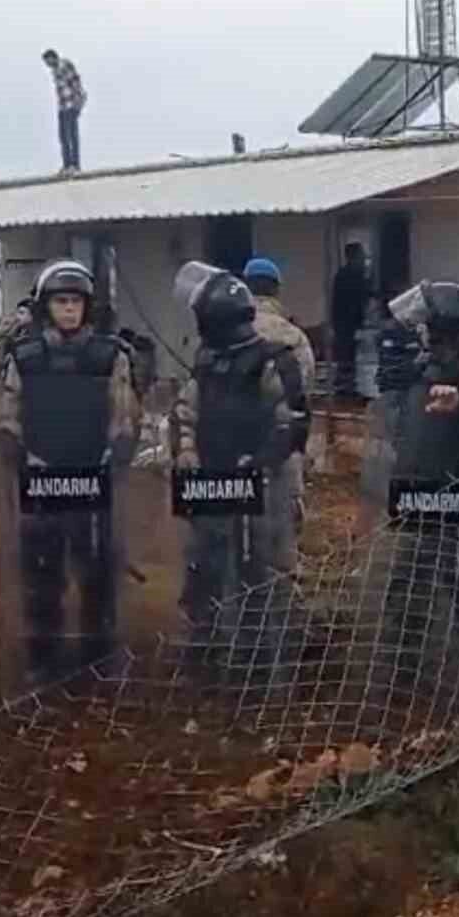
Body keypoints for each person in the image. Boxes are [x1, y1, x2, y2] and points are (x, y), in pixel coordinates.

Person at [0, 260, 140, 687]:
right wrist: (19, 455)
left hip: (94, 478)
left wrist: (116, 453)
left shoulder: (110, 355)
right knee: (42, 576)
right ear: (46, 307)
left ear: (88, 306)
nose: (70, 309)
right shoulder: (24, 357)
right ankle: (43, 659)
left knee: (97, 574)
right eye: (61, 301)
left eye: (76, 301)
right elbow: (7, 415)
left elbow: (123, 414)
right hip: (41, 477)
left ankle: (97, 660)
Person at [363, 281, 459, 696]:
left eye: (426, 325)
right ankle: (404, 681)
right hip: (416, 497)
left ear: (441, 328)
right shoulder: (424, 366)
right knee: (405, 595)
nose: (420, 331)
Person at [170, 262, 307, 668]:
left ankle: (265, 662)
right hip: (211, 483)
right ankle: (206, 651)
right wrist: (186, 450)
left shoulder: (272, 360)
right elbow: (185, 412)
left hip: (264, 488)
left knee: (261, 572)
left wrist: (258, 462)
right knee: (204, 566)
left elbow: (291, 423)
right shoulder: (207, 362)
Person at [243, 257, 315, 527]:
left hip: (233, 446)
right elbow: (304, 390)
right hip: (282, 446)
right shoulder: (294, 336)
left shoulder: (226, 330)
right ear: (276, 290)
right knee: (283, 528)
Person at [331, 243, 371, 399]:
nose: (364, 259)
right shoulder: (348, 276)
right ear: (353, 257)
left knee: (350, 358)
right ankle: (344, 390)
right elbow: (353, 301)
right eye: (361, 255)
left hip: (349, 324)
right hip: (346, 324)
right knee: (346, 358)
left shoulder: (351, 275)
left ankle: (348, 388)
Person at [41, 49, 86, 173]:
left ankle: (75, 165)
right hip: (62, 106)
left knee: (72, 136)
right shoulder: (55, 71)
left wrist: (78, 104)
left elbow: (76, 84)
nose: (47, 65)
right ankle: (67, 165)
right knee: (63, 137)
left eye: (48, 61)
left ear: (53, 57)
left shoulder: (65, 65)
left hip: (71, 105)